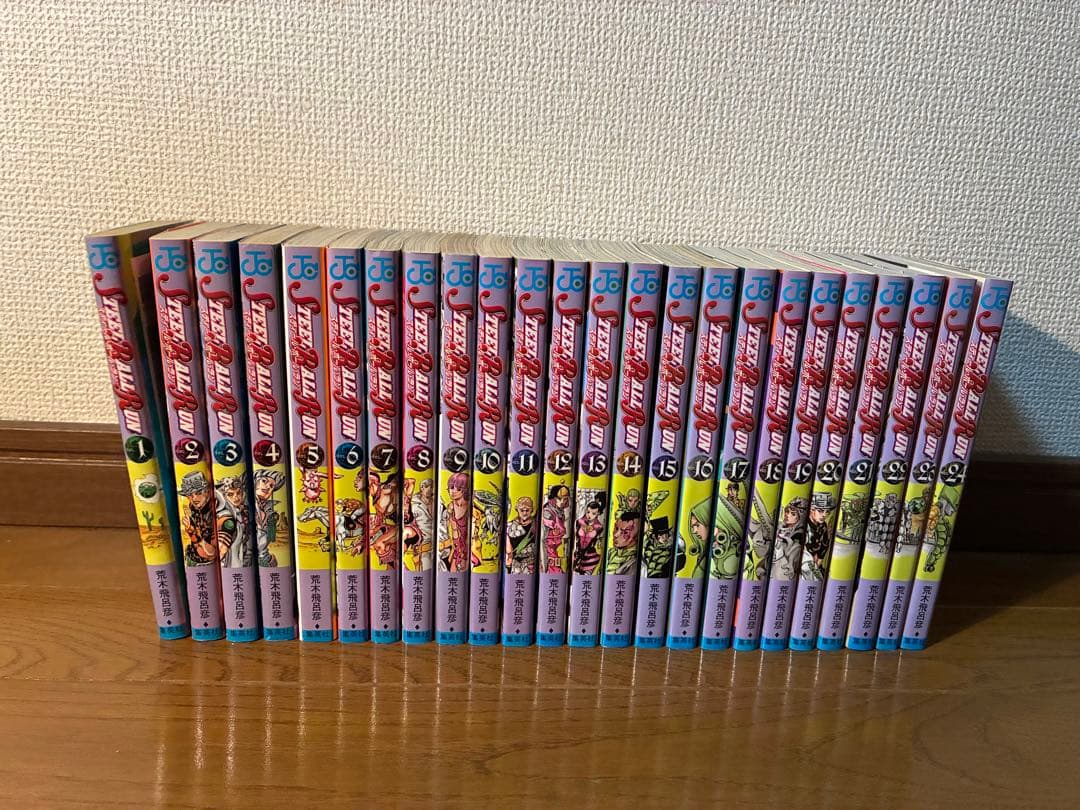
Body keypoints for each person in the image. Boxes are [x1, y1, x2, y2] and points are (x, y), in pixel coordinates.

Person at [179, 471, 216, 565]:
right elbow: (196, 544)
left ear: (207, 491)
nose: (194, 498)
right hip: (197, 559)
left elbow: (212, 553)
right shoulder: (193, 510)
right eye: (190, 495)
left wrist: (197, 537)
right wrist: (192, 532)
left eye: (198, 493)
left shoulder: (215, 511)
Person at [541, 485, 570, 573]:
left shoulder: (560, 511)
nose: (562, 502)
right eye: (559, 498)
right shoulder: (547, 512)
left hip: (559, 547)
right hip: (550, 549)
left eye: (565, 499)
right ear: (553, 498)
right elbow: (543, 537)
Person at [505, 496, 537, 574]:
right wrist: (508, 562)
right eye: (522, 510)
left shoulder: (536, 525)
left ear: (532, 510)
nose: (525, 513)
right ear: (517, 509)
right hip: (516, 564)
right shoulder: (510, 525)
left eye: (527, 510)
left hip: (531, 563)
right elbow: (508, 548)